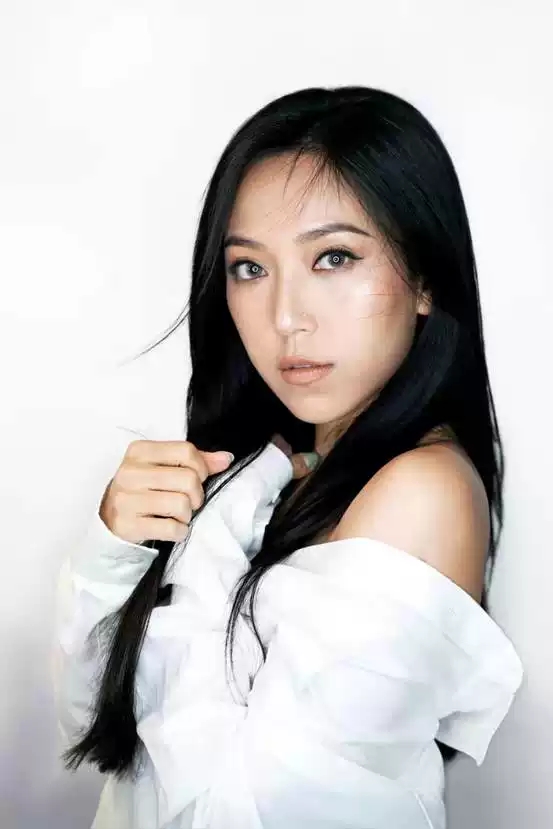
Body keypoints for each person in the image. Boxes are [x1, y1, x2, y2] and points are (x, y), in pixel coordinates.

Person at [54, 85, 524, 828]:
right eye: (249, 268)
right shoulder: (273, 473)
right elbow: (99, 731)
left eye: (333, 257)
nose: (285, 317)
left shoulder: (420, 492)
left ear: (425, 280)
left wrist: (207, 548)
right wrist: (113, 550)